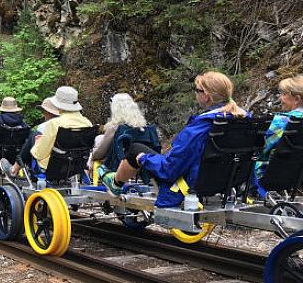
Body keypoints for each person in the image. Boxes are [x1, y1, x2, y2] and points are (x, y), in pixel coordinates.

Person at [99, 71, 248, 208]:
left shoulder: (200, 128)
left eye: (197, 90)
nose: (195, 94)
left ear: (206, 96)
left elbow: (170, 169)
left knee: (135, 150)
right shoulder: (241, 120)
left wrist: (144, 159)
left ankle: (115, 183)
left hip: (187, 183)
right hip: (225, 180)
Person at [2, 87, 92, 177]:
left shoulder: (54, 124)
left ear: (58, 104)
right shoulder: (88, 123)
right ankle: (15, 168)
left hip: (52, 169)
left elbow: (40, 155)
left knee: (34, 136)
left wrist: (36, 144)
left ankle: (14, 169)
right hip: (76, 168)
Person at [254, 75, 303, 189]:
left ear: (297, 99)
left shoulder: (282, 121)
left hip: (271, 173)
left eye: (284, 94)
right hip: (298, 174)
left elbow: (262, 148)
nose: (280, 99)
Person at [90, 93, 159, 171]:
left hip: (119, 169)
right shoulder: (147, 129)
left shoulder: (114, 129)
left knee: (95, 157)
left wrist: (92, 156)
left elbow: (99, 155)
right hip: (142, 167)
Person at [18, 98, 60, 168]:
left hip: (47, 164)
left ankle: (15, 168)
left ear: (47, 112)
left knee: (33, 136)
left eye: (43, 111)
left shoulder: (43, 127)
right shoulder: (68, 126)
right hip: (68, 164)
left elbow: (40, 151)